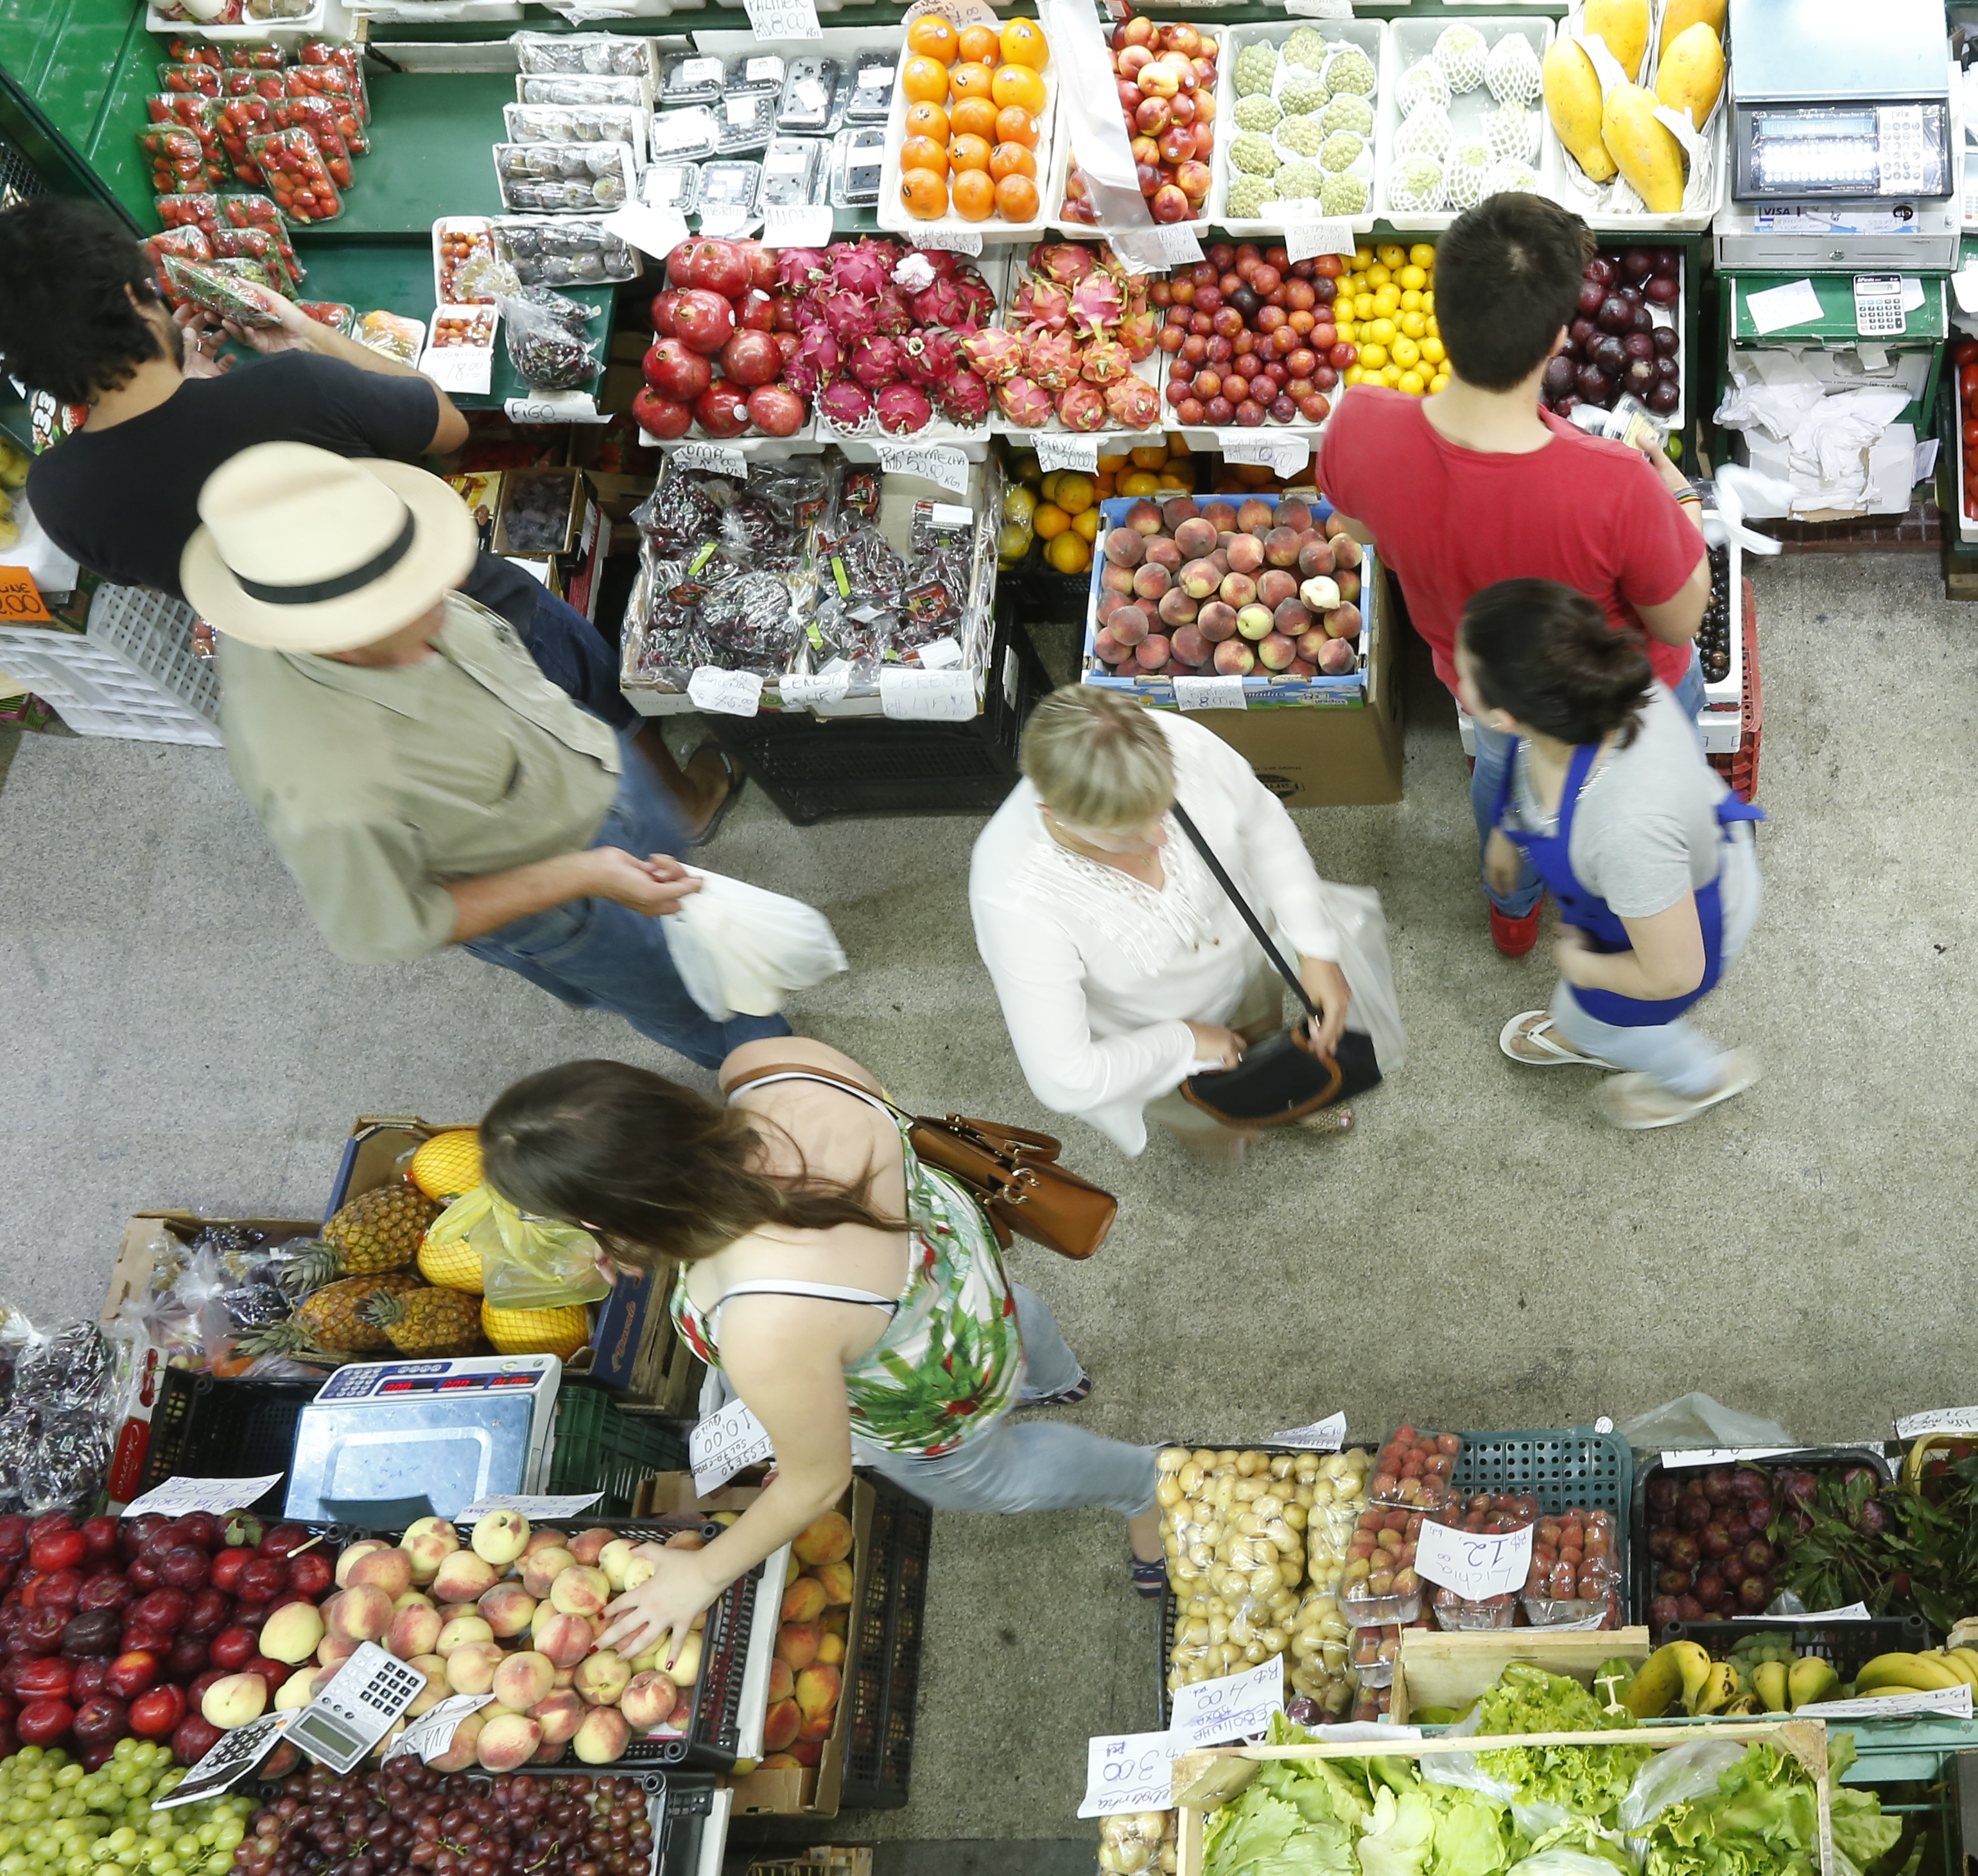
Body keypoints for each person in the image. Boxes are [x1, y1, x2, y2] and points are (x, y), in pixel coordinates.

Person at [0, 196, 729, 826]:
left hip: (321, 672)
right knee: (586, 689)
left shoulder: (60, 494)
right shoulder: (293, 387)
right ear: (135, 298)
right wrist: (309, 337)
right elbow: (447, 426)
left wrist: (197, 395)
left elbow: (176, 575)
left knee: (469, 776)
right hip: (464, 607)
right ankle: (681, 808)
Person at [476, 1037, 1172, 1649]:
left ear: (613, 1212)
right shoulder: (770, 1069)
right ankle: (1055, 1378)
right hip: (954, 1275)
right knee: (1011, 1316)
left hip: (930, 1389)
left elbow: (817, 1481)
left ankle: (1144, 1486)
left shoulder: (764, 1323)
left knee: (986, 1475)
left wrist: (702, 1573)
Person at [185, 442, 783, 1069]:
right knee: (688, 998)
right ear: (336, 630)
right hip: (559, 892)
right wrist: (588, 874)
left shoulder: (325, 589)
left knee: (695, 914)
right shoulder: (328, 788)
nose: (451, 584)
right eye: (412, 592)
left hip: (581, 760)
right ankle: (774, 1073)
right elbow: (390, 926)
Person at [1319, 194, 1712, 957]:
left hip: (1492, 697)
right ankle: (1631, 916)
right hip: (1618, 704)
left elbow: (1361, 534)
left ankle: (1512, 913)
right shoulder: (1616, 484)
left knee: (1504, 799)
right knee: (1640, 815)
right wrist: (1682, 495)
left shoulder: (1359, 424)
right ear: (1562, 337)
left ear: (1438, 311)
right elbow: (1679, 620)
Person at [969, 685, 1387, 1168]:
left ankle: (1281, 1100)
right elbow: (1065, 1079)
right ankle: (1226, 1125)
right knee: (1212, 1112)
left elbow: (1262, 825)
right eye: (1127, 831)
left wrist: (1314, 948)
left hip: (1244, 964)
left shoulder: (1177, 743)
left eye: (1165, 806)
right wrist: (1185, 1042)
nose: (1160, 837)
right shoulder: (1015, 898)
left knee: (1271, 1049)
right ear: (1053, 814)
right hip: (1149, 1036)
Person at [1460, 577, 1762, 1130]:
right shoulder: (1586, 698)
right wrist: (1510, 832)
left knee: (1590, 1013)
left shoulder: (1626, 828)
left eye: (1465, 676)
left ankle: (1698, 1077)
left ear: (1502, 716)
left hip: (1690, 917)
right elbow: (1533, 775)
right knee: (1592, 999)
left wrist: (1585, 966)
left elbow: (1674, 973)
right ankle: (1598, 1030)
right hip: (1652, 883)